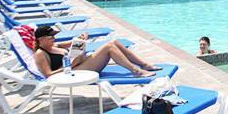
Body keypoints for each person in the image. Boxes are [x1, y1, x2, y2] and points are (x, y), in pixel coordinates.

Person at [33, 26, 161, 78]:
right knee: (109, 47)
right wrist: (69, 65)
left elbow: (74, 42)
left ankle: (144, 64)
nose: (53, 39)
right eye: (50, 37)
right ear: (41, 39)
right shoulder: (40, 54)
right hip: (72, 72)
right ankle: (136, 71)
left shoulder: (55, 45)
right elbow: (48, 75)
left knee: (114, 42)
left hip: (79, 63)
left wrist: (81, 39)